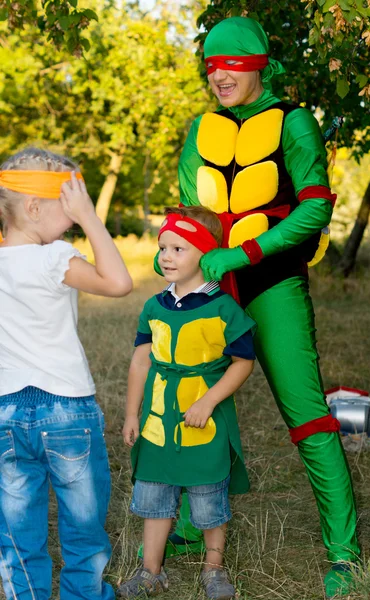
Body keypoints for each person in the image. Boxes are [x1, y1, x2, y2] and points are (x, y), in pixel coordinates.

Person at [158, 17, 361, 599]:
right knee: (196, 404)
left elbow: (315, 208)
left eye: (232, 64)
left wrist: (242, 252)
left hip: (272, 285)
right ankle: (198, 528)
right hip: (210, 290)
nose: (219, 74)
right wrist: (177, 254)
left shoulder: (293, 123)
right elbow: (190, 212)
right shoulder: (202, 129)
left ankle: (344, 557)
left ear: (259, 65)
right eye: (211, 65)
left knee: (309, 418)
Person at [0, 147, 133, 600]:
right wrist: (93, 220)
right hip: (66, 412)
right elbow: (118, 283)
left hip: (5, 413)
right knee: (83, 526)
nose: (75, 211)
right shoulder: (54, 257)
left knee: (17, 528)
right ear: (34, 208)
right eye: (68, 200)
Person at [119, 206, 255, 600]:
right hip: (158, 419)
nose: (166, 256)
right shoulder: (154, 306)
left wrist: (209, 401)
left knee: (208, 497)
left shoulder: (224, 308)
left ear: (206, 254)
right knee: (154, 496)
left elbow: (242, 363)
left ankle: (214, 571)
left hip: (203, 420)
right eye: (163, 247)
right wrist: (132, 413)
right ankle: (151, 572)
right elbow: (141, 361)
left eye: (179, 248)